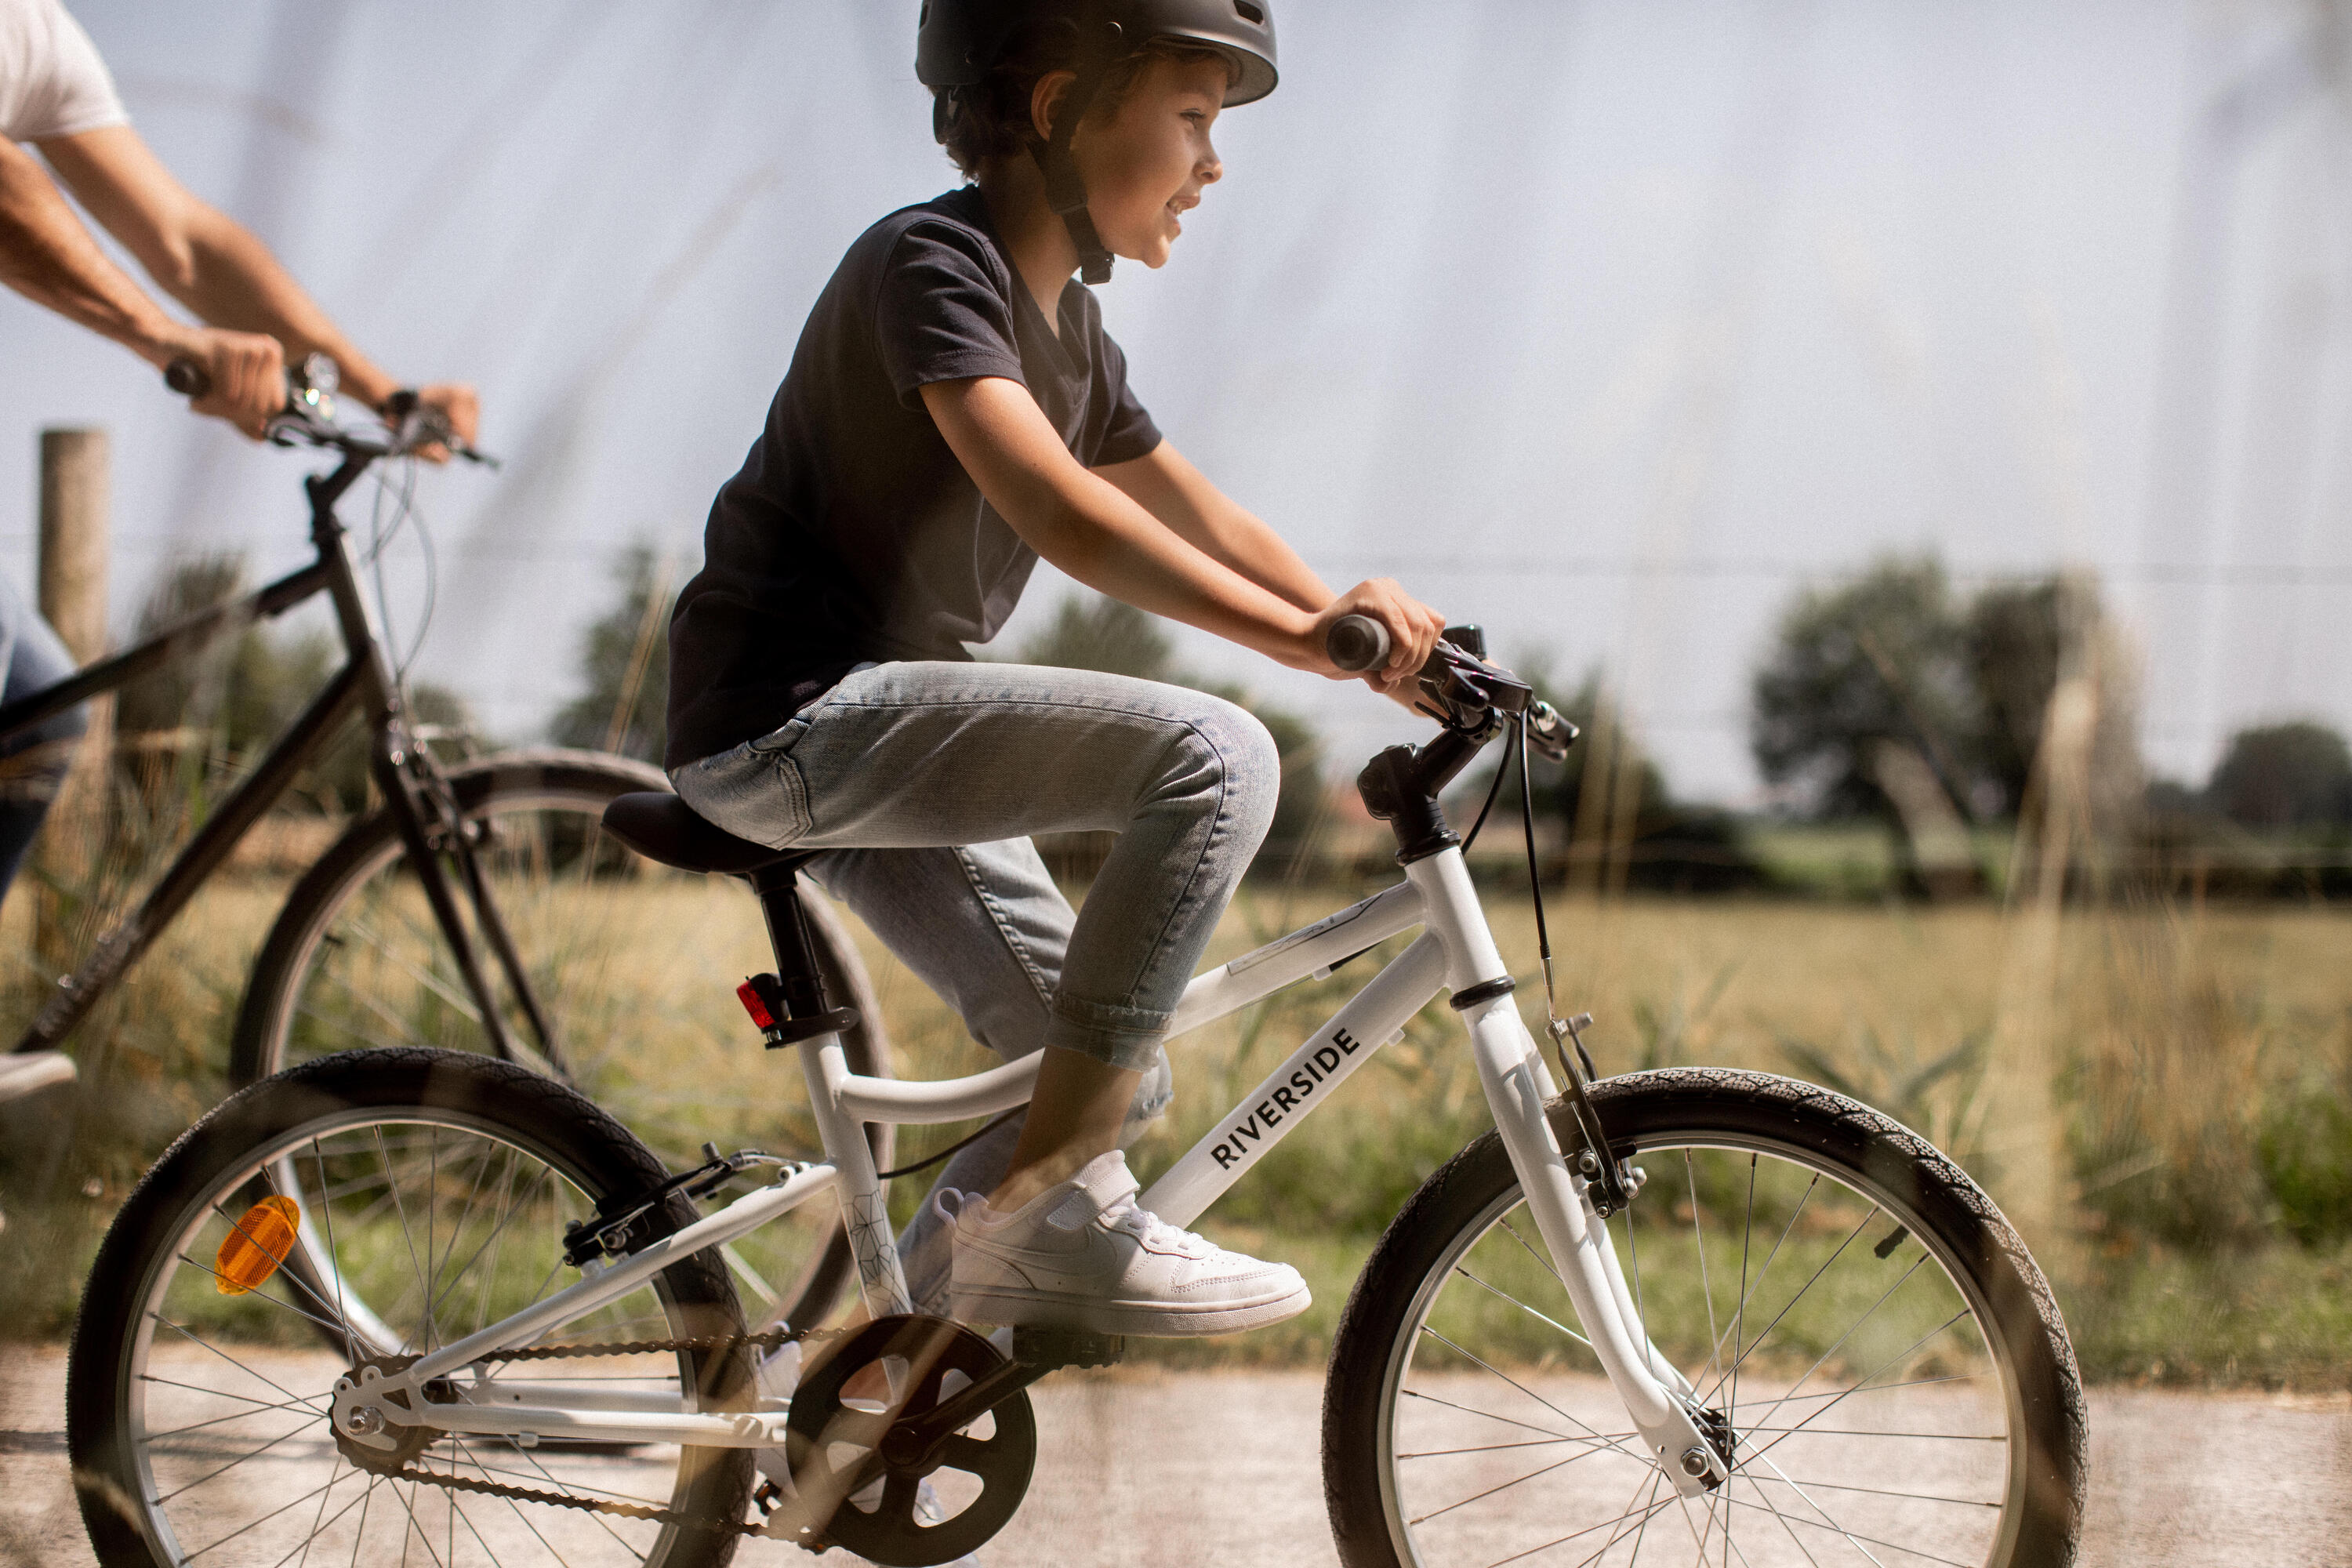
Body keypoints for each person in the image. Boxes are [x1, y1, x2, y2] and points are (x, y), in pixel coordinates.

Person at [667, 0, 1446, 1338]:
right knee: (1217, 756)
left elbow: (1201, 512)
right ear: (1057, 108)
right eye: (1193, 117)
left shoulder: (1075, 336)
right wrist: (1307, 648)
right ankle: (1058, 1215)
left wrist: (1356, 633)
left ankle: (857, 1387)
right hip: (792, 719)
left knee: (1098, 1072)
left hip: (873, 748)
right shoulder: (934, 264)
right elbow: (1068, 516)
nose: (1215, 164)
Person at [0, 0, 475, 1102]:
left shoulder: (36, 35)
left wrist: (380, 389)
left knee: (36, 707)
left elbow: (186, 241)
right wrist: (162, 338)